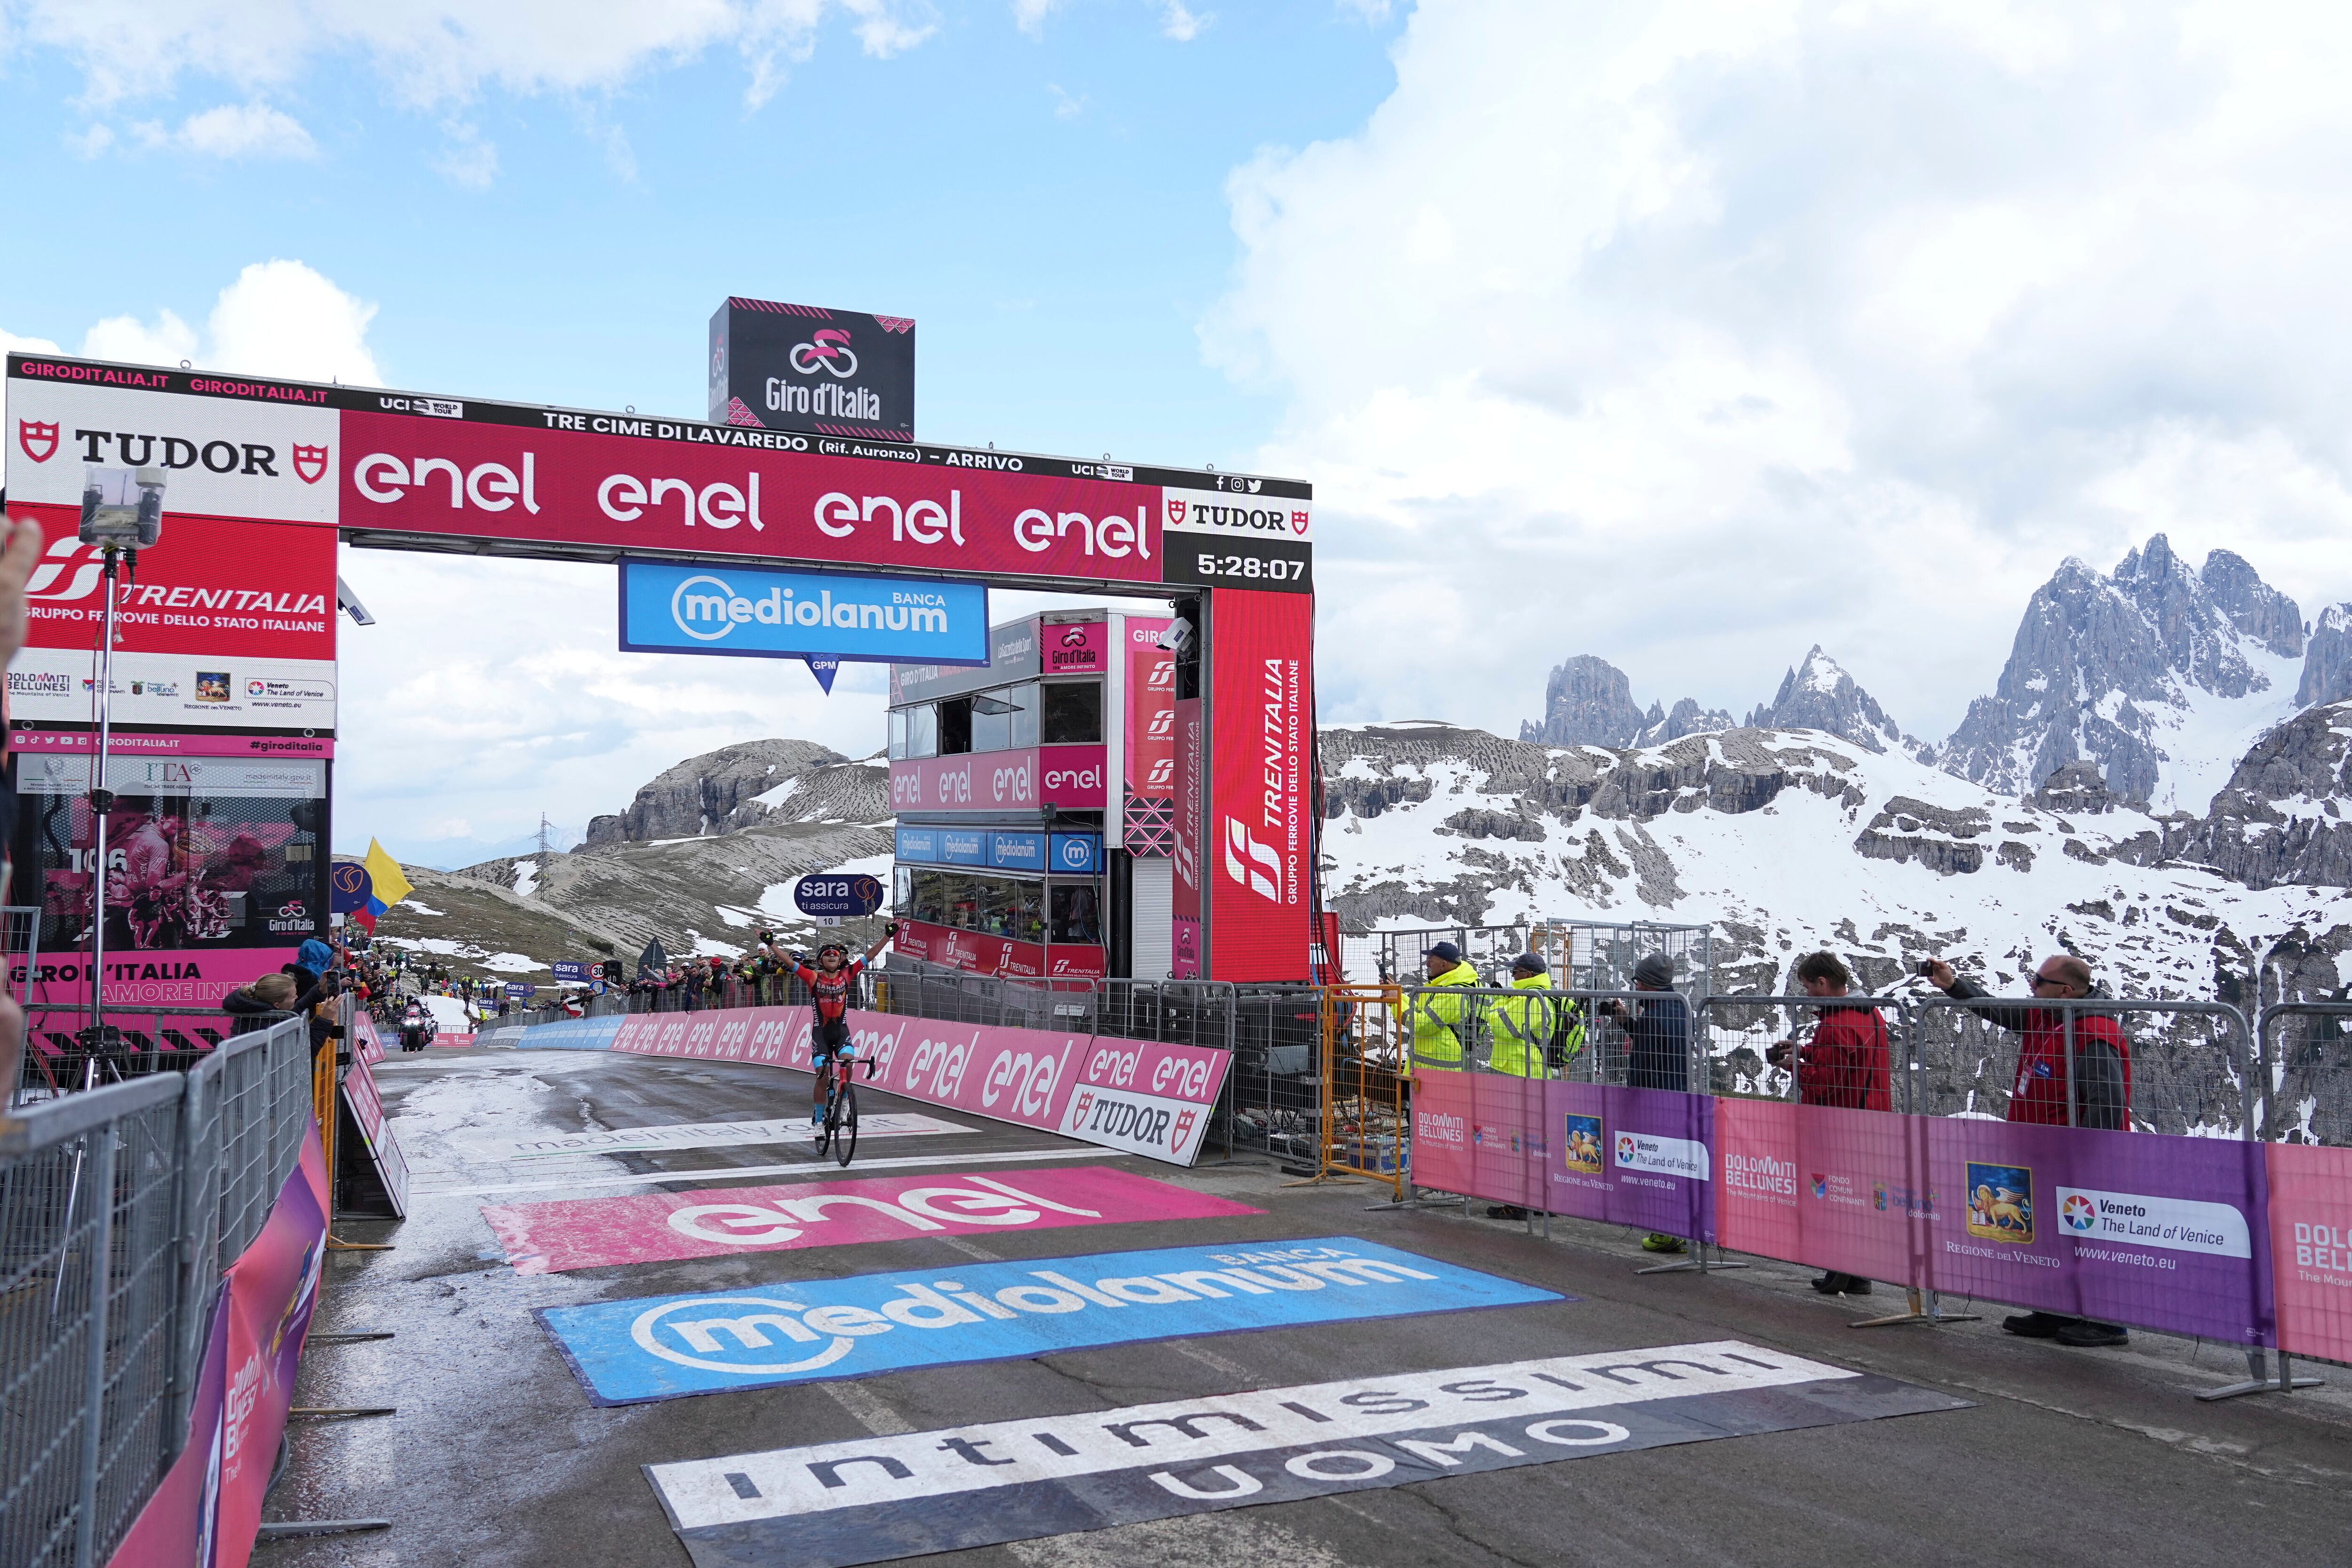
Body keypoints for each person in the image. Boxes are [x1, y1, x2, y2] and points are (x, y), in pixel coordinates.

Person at [1926, 952, 2133, 1348]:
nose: (2032, 987)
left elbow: (2105, 1107)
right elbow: (1999, 1010)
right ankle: (2053, 1309)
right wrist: (1954, 986)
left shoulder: (2093, 1034)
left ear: (2067, 991)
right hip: (2042, 1153)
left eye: (2039, 981)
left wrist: (2082, 1157)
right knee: (2051, 1236)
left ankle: (2108, 1320)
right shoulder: (2047, 1014)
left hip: (2076, 1159)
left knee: (2087, 1235)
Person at [1766, 952, 1891, 1295]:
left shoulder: (1836, 1024)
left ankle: (1840, 1271)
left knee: (1838, 1197)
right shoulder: (1870, 1014)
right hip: (1870, 1116)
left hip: (1840, 1123)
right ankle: (1857, 1273)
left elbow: (1826, 1082)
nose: (1807, 994)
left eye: (1808, 987)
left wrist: (1792, 1065)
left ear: (1823, 982)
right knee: (1854, 1198)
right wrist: (1805, 1050)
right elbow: (1845, 1061)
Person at [1602, 952, 1692, 1253]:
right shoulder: (1675, 1006)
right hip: (1673, 1095)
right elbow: (1651, 1039)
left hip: (1655, 1099)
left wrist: (1635, 1093)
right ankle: (1673, 1230)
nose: (1634, 987)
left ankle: (1666, 1231)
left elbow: (1650, 1048)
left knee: (1658, 1165)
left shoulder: (1657, 1014)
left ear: (1647, 984)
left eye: (1637, 981)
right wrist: (1628, 1022)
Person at [790, 925, 897, 1126]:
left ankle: (845, 1101)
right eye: (828, 954)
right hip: (820, 1035)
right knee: (822, 1076)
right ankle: (819, 1119)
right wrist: (771, 945)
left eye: (836, 955)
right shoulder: (813, 977)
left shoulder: (847, 975)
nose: (832, 956)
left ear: (840, 960)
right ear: (821, 960)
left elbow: (870, 956)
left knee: (848, 1064)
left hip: (841, 1032)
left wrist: (888, 936)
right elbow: (790, 963)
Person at [1483, 952, 1558, 1219]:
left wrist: (1495, 1006)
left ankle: (1521, 1202)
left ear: (1527, 974)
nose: (1512, 975)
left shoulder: (1535, 998)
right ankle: (1538, 1200)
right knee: (1528, 1140)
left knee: (1519, 1141)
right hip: (1519, 1073)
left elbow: (1507, 1026)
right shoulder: (1527, 996)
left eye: (1515, 972)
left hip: (1521, 1075)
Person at [1403, 941, 1479, 1074]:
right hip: (1428, 1069)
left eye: (1430, 960)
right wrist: (1396, 995)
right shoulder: (1445, 987)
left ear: (1443, 965)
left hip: (1438, 1073)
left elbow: (1421, 1025)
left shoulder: (1451, 994)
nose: (1427, 964)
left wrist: (1395, 1004)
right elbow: (1422, 1014)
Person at [222, 971, 300, 1036]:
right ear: (277, 1005)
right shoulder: (267, 1022)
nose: (297, 997)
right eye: (293, 997)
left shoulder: (251, 1008)